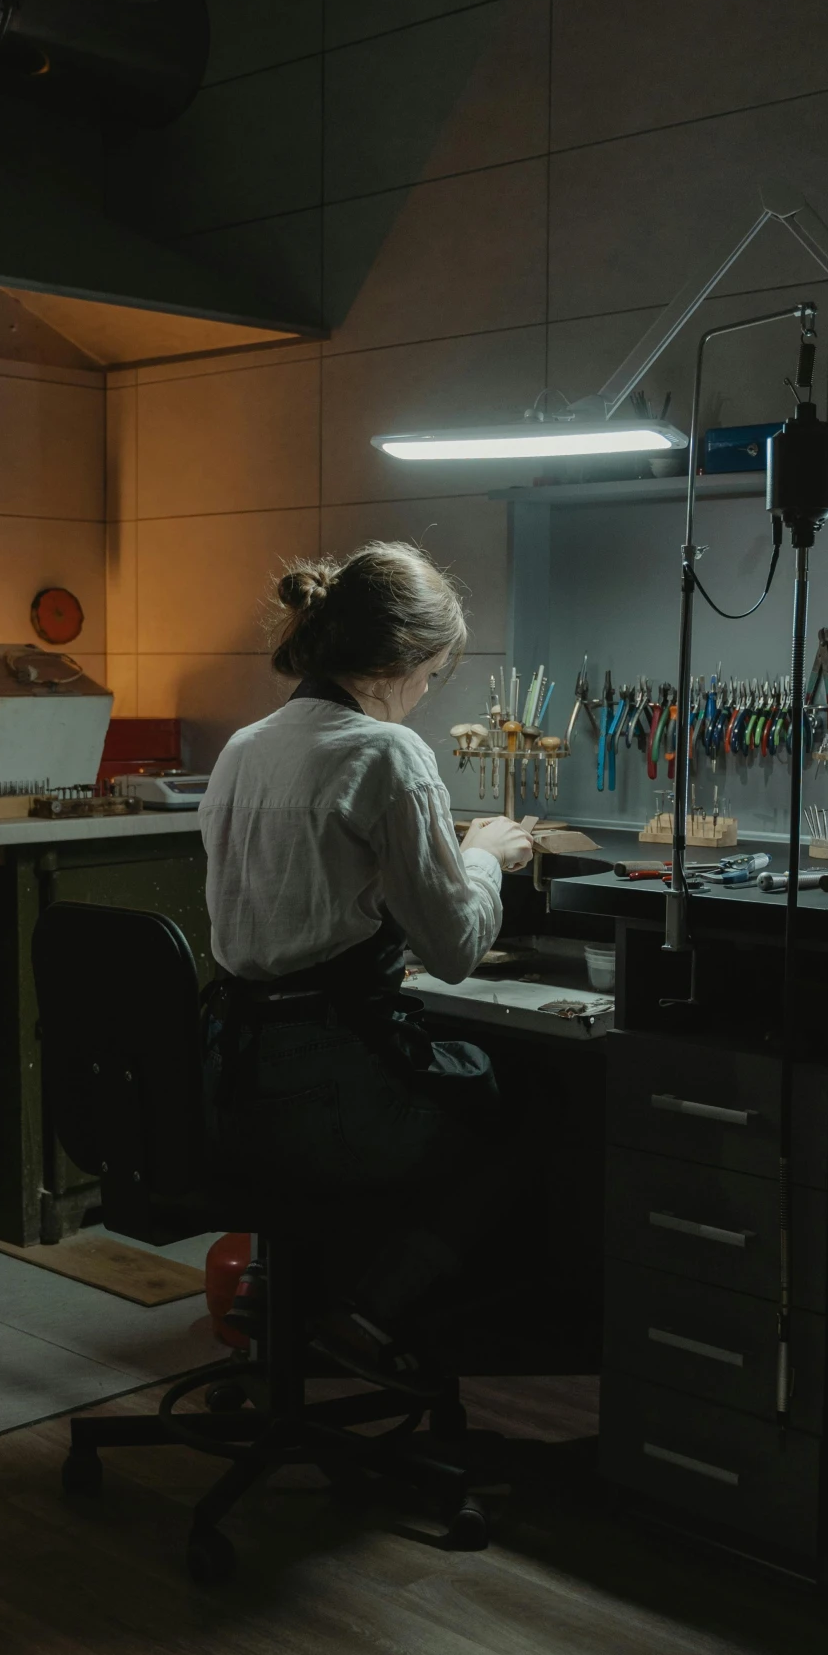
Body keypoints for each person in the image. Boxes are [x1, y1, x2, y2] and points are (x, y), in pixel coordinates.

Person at [198, 539, 532, 1387]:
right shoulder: (387, 754)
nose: (423, 700)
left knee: (326, 1149)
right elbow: (455, 948)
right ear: (402, 662)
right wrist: (485, 851)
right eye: (432, 678)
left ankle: (280, 1291)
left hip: (229, 1075)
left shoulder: (245, 747)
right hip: (328, 1082)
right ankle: (365, 1313)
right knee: (513, 1122)